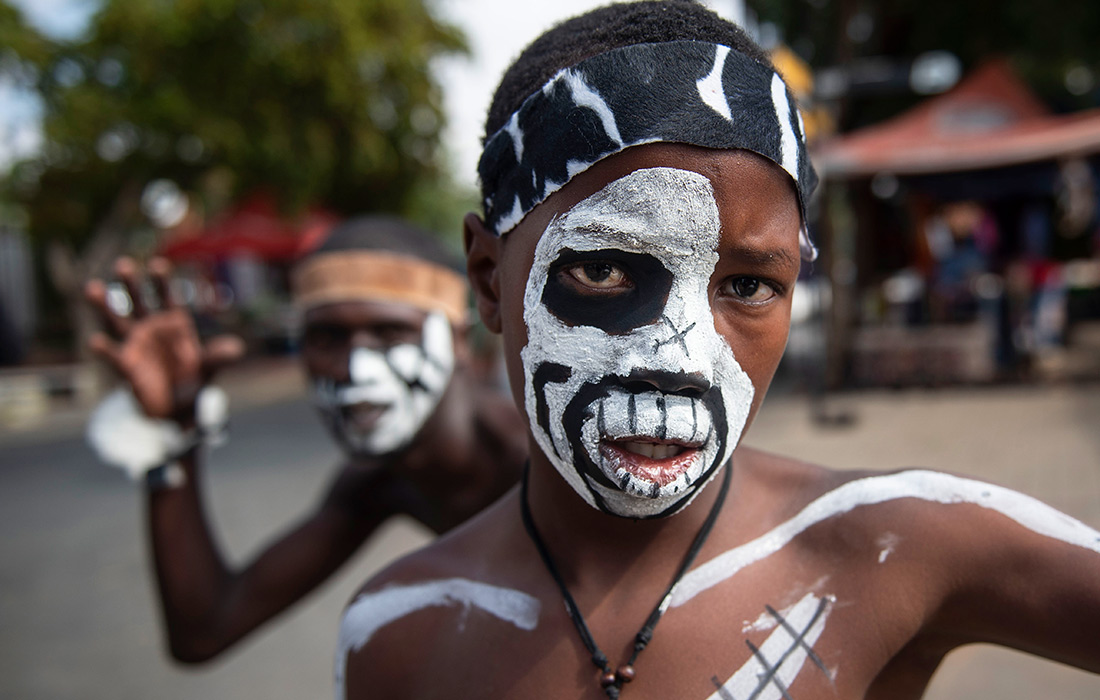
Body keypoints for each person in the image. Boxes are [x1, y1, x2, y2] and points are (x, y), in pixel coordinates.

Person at [335, 3, 1100, 699]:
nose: (681, 358)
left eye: (747, 286)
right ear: (488, 279)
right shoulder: (399, 634)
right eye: (603, 269)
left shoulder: (892, 545)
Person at [83, 215, 526, 663]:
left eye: (391, 333)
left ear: (459, 340)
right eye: (327, 338)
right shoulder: (376, 484)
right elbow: (205, 629)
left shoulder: (540, 465)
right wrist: (174, 433)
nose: (354, 369)